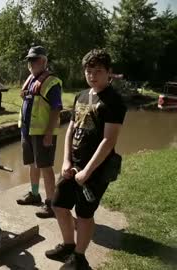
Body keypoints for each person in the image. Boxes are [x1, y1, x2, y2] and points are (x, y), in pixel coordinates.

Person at [46, 49, 127, 269]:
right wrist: (66, 161)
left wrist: (87, 172)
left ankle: (80, 258)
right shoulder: (81, 95)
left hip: (96, 170)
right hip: (72, 166)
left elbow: (108, 141)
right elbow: (71, 129)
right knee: (58, 205)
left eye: (98, 71)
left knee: (83, 214)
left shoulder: (114, 101)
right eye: (89, 71)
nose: (92, 75)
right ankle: (68, 246)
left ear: (109, 73)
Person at [17, 46, 63, 219]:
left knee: (46, 167)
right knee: (32, 164)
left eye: (34, 59)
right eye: (29, 59)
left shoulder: (52, 82)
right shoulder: (31, 78)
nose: (31, 63)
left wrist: (49, 133)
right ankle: (34, 194)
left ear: (43, 61)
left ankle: (50, 204)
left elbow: (56, 109)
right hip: (27, 130)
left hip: (43, 132)